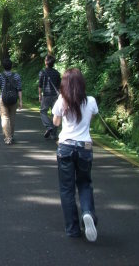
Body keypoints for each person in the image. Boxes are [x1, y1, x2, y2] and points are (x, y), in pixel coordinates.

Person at [52, 68, 99, 242]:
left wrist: (61, 107)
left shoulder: (62, 100)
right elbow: (88, 122)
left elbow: (55, 122)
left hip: (65, 147)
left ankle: (72, 229)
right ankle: (87, 213)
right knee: (85, 184)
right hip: (85, 147)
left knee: (67, 189)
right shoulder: (91, 101)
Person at [0, 57, 23, 145]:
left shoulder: (0, 76)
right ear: (11, 66)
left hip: (3, 99)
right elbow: (19, 89)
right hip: (14, 99)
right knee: (12, 118)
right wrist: (20, 101)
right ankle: (11, 136)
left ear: (3, 67)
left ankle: (8, 138)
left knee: (5, 118)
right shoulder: (17, 76)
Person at [38, 54, 61, 139]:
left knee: (43, 112)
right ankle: (54, 134)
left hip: (46, 96)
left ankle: (48, 126)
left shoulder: (42, 72)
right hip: (55, 96)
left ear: (46, 62)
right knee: (55, 113)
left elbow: (40, 85)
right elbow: (59, 87)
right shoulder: (57, 73)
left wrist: (40, 95)